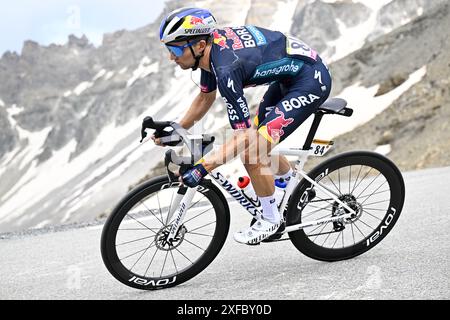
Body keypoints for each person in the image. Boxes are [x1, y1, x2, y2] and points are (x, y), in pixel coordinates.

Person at [155, 7, 332, 245]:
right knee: (260, 142)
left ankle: (271, 219)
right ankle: (296, 186)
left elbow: (244, 136)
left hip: (310, 81)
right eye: (169, 49)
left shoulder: (226, 67)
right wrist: (178, 127)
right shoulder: (210, 51)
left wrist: (202, 167)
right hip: (289, 80)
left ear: (198, 46)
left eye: (175, 49)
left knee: (252, 151)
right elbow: (205, 97)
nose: (171, 56)